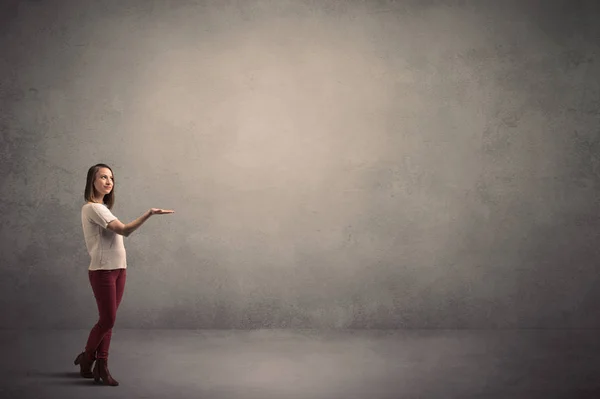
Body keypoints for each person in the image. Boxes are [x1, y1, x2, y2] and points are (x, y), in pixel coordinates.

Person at [74, 163, 174, 386]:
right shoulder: (93, 208)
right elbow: (125, 230)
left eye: (111, 178)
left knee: (109, 322)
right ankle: (88, 358)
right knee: (108, 320)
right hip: (103, 271)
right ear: (92, 181)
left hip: (119, 270)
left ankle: (101, 365)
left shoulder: (104, 208)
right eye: (102, 177)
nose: (109, 181)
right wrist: (149, 213)